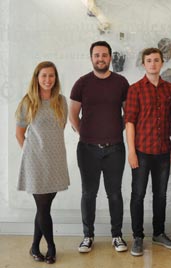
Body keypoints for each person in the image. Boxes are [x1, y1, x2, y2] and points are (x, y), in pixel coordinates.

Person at [69, 41, 130, 253]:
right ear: (91, 58)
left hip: (115, 149)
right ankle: (88, 236)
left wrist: (116, 130)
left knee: (115, 194)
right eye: (97, 55)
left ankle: (117, 235)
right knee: (88, 193)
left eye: (104, 55)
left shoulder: (121, 82)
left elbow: (127, 114)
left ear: (110, 57)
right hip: (87, 149)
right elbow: (73, 114)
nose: (100, 58)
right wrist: (84, 133)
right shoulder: (82, 83)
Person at [125, 48, 171, 256]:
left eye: (156, 60)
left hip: (163, 151)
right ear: (144, 64)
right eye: (149, 60)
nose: (153, 64)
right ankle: (138, 237)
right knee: (137, 195)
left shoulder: (169, 89)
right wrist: (132, 152)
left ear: (161, 63)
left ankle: (159, 233)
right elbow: (129, 122)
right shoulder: (135, 89)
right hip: (141, 151)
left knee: (161, 194)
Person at [15, 61, 70, 264]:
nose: (48, 80)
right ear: (37, 78)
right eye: (44, 76)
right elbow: (19, 134)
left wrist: (47, 151)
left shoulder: (61, 101)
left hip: (55, 160)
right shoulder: (28, 102)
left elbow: (60, 128)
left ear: (55, 79)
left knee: (43, 208)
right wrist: (32, 155)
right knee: (43, 206)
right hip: (35, 162)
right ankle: (52, 247)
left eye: (51, 76)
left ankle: (34, 246)